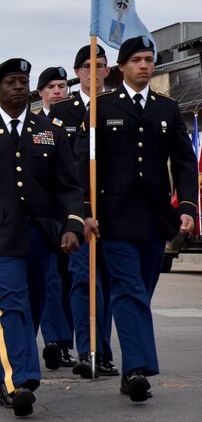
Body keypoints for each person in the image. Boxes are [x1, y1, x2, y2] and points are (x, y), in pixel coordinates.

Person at [0, 58, 84, 417]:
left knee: (34, 305)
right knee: (12, 304)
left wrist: (72, 225)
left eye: (23, 81)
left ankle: (4, 376)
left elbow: (68, 186)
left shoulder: (50, 129)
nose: (20, 87)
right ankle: (20, 381)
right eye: (11, 82)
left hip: (41, 234)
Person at [76, 36, 197, 402]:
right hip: (113, 219)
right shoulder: (101, 106)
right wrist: (84, 211)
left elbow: (184, 161)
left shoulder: (168, 108)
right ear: (122, 67)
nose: (145, 65)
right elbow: (82, 163)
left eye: (149, 60)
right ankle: (137, 369)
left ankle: (132, 366)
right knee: (128, 290)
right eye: (138, 60)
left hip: (155, 218)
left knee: (140, 291)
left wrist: (188, 207)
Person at [49, 44, 119, 378]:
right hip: (77, 212)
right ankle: (89, 350)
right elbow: (57, 170)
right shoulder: (64, 113)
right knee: (82, 281)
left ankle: (101, 349)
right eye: (88, 65)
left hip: (116, 212)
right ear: (78, 72)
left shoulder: (118, 107)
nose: (95, 71)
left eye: (101, 65)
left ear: (109, 70)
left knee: (108, 283)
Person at [34, 66, 77, 369]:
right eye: (51, 87)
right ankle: (56, 341)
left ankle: (66, 340)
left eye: (62, 85)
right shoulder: (34, 125)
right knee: (50, 280)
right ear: (41, 93)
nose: (58, 91)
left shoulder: (76, 120)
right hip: (43, 217)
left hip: (71, 214)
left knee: (70, 280)